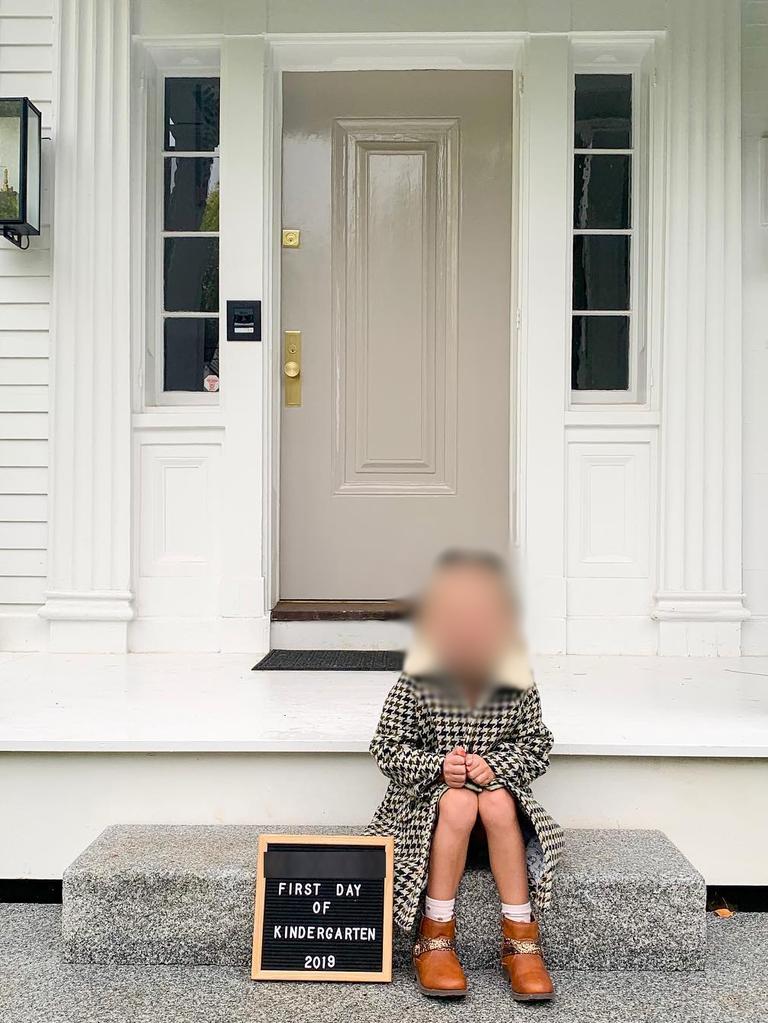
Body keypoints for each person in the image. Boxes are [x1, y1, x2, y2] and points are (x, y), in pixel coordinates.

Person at [365, 550, 563, 1001]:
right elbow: (388, 747)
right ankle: (435, 935)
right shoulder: (418, 681)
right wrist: (439, 766)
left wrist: (496, 766)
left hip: (497, 817)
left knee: (492, 799)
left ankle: (520, 940)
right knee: (458, 799)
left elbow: (536, 745)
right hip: (432, 813)